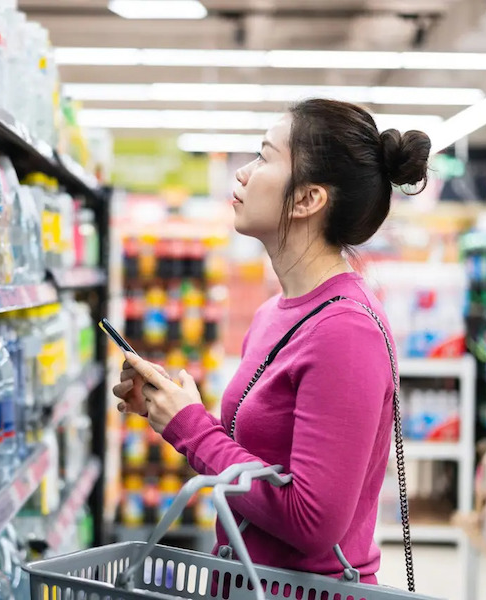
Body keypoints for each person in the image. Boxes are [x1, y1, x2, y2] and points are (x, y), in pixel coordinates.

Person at [113, 99, 431, 584]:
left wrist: (192, 429)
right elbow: (264, 462)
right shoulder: (272, 314)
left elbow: (311, 522)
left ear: (308, 199)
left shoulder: (345, 332)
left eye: (264, 156)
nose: (242, 172)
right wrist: (172, 407)